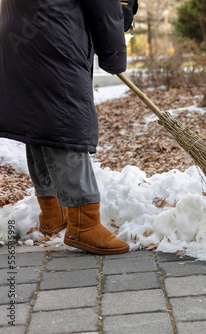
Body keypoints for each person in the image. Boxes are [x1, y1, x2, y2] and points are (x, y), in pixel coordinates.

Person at [0, 0, 130, 254]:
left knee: (41, 118)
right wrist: (114, 56)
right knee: (65, 120)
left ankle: (53, 213)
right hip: (55, 33)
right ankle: (84, 223)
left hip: (19, 30)